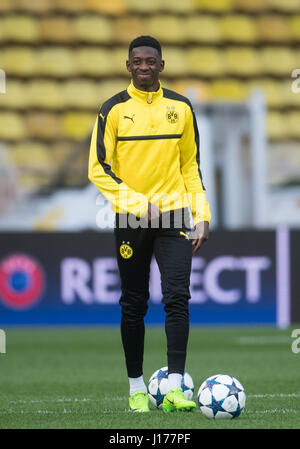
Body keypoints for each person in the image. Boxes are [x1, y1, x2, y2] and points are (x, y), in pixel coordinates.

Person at [88, 36, 211, 412]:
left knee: (177, 298)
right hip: (131, 218)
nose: (144, 66)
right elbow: (98, 170)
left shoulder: (182, 108)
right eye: (137, 61)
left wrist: (202, 215)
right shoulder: (112, 110)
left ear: (162, 65)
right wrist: (140, 205)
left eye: (150, 61)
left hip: (175, 215)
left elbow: (190, 166)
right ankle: (137, 388)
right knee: (134, 303)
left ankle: (176, 387)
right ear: (128, 66)